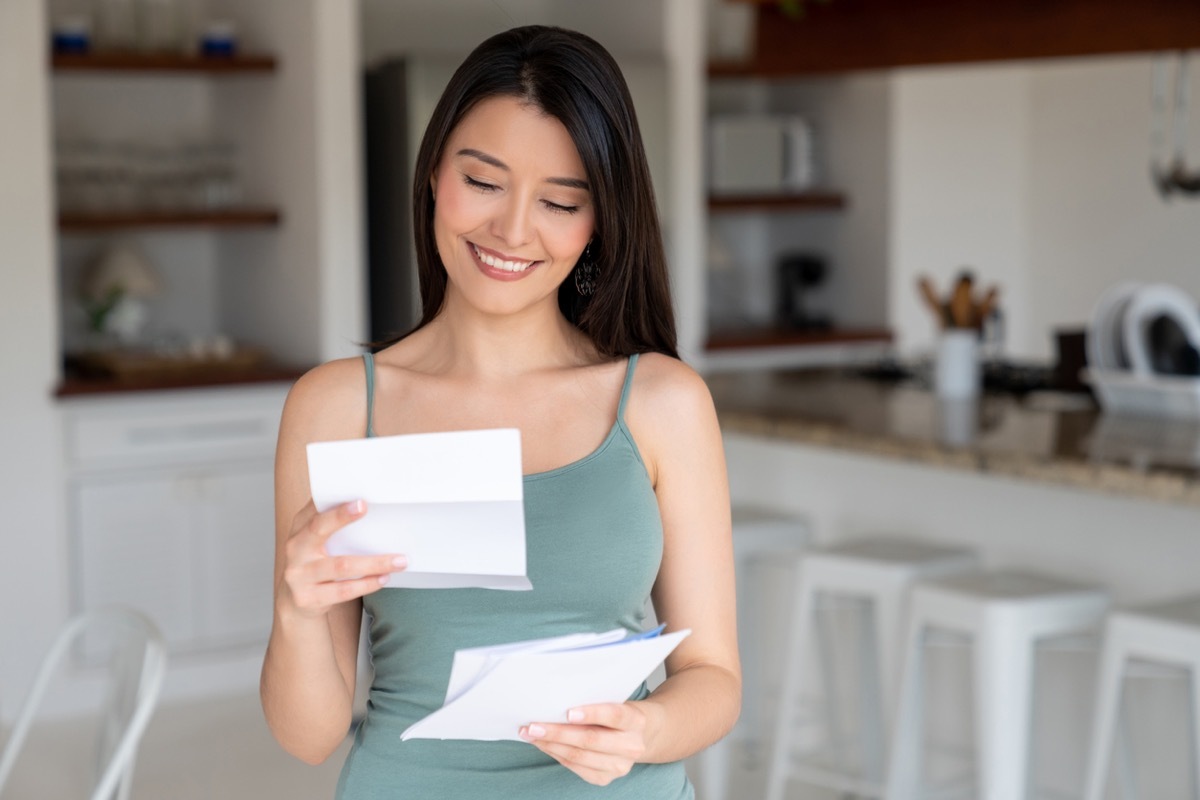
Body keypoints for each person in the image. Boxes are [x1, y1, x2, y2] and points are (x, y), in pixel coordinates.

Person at [260, 24, 739, 799]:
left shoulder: (661, 403)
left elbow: (713, 678)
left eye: (559, 201)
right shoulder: (338, 405)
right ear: (434, 174)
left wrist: (646, 730)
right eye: (483, 182)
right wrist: (294, 610)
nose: (513, 231)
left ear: (597, 225)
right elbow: (307, 737)